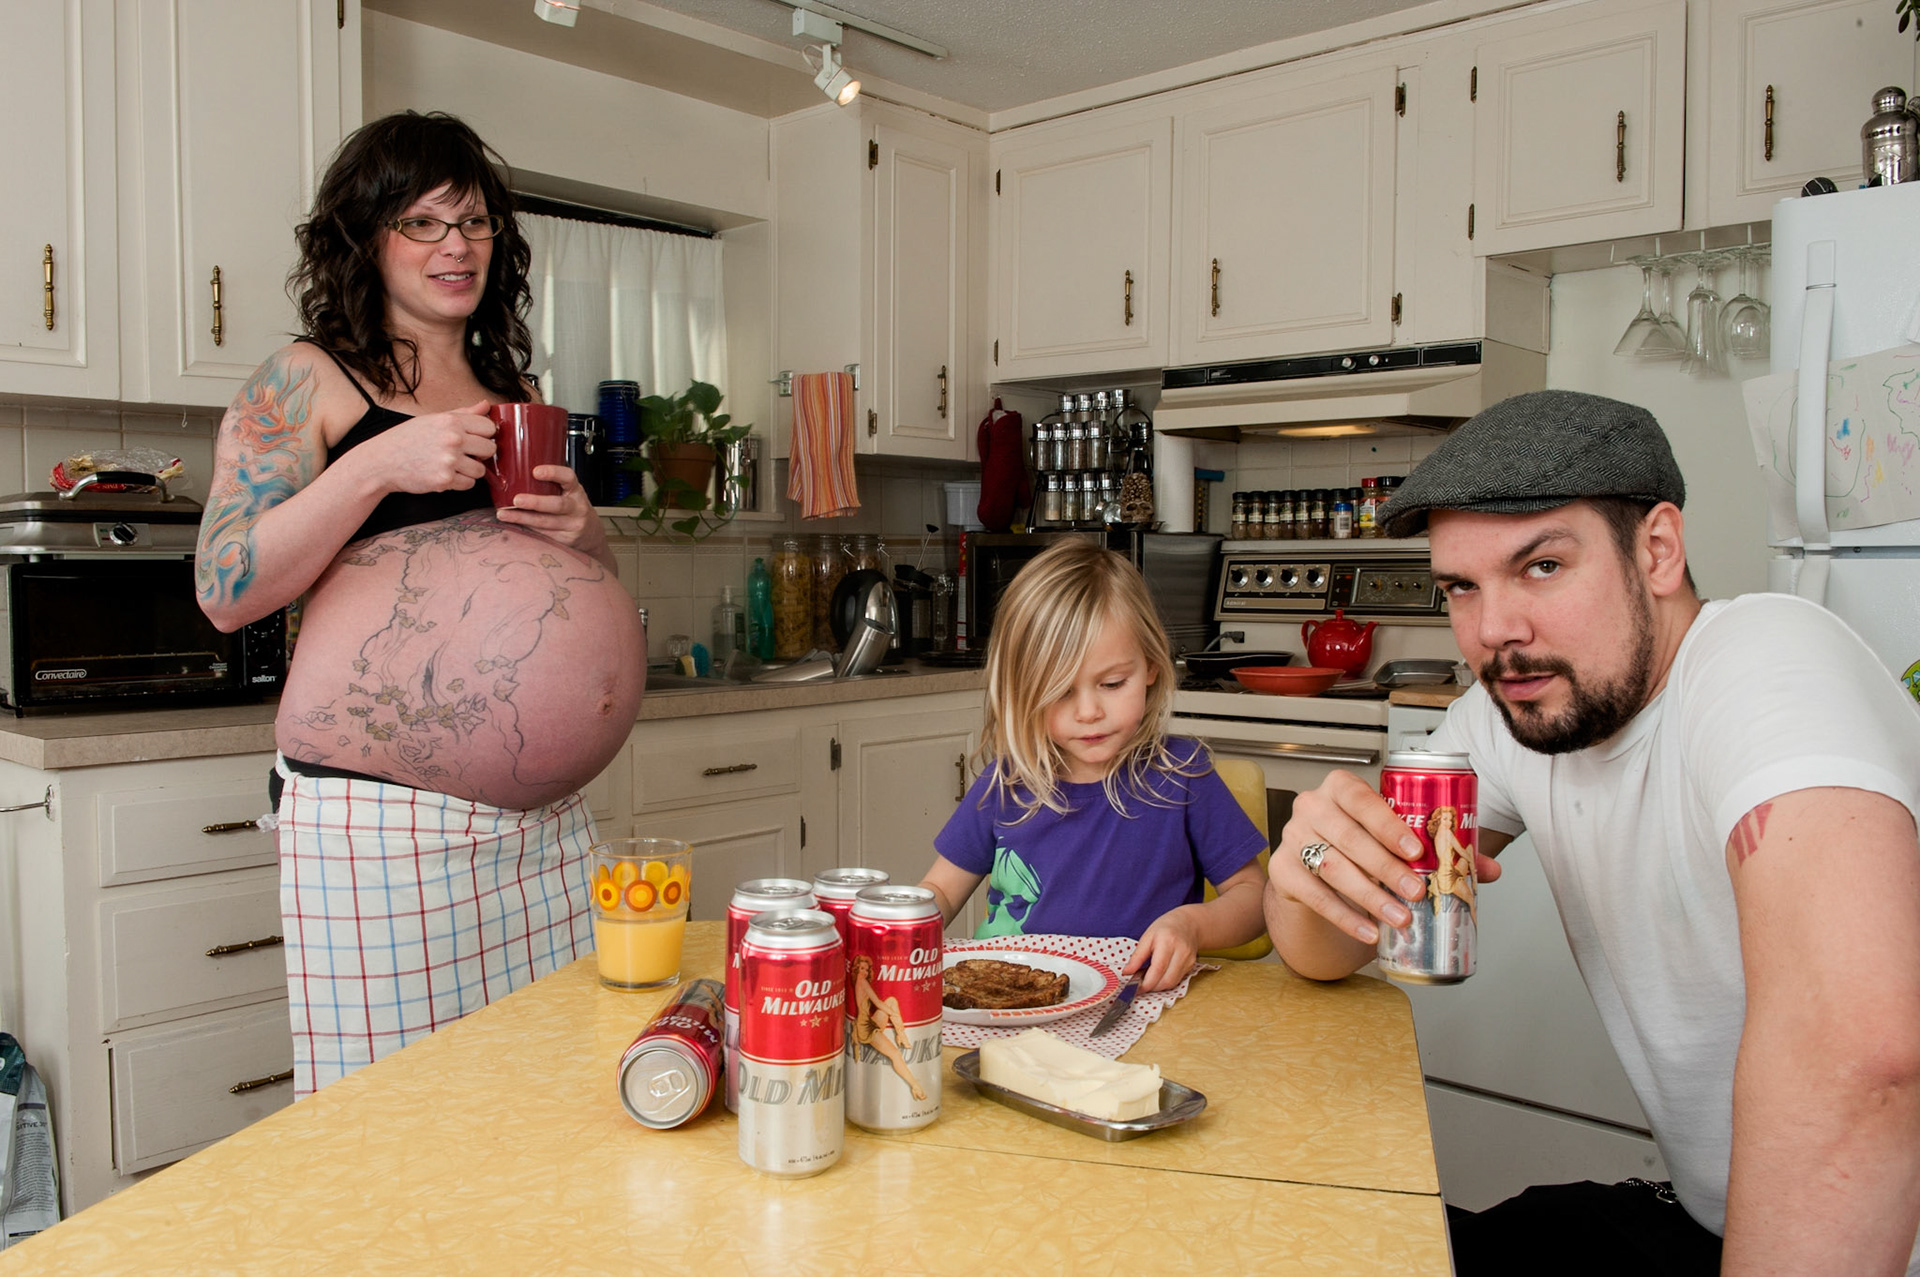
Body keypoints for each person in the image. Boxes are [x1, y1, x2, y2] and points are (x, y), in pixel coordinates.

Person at [1264, 390, 1920, 1276]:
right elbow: (1321, 948)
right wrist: (1311, 858)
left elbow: (1865, 1063)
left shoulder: (1765, 659)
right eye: (1462, 586)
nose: (1495, 631)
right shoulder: (1515, 713)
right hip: (1700, 1225)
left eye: (1540, 567)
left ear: (1656, 549)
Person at [193, 111, 644, 1097]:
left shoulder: (510, 389)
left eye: (475, 224)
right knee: (390, 1125)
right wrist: (376, 467)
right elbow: (223, 587)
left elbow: (550, 586)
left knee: (547, 1104)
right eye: (425, 222)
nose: (457, 247)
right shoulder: (307, 378)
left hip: (544, 829)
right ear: (365, 238)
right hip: (386, 834)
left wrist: (585, 532)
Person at [918, 539, 1268, 992]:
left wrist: (1192, 925)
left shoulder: (1183, 775)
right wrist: (890, 931)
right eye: (1060, 692)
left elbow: (1255, 899)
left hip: (1132, 1002)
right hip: (1012, 1005)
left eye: (1112, 683)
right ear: (1020, 691)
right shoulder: (1004, 784)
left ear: (1151, 665)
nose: (1088, 712)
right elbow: (942, 892)